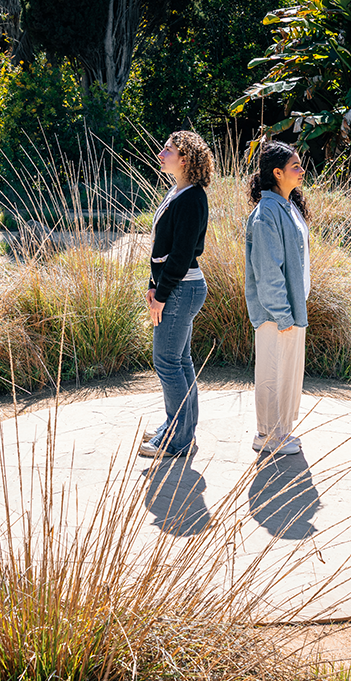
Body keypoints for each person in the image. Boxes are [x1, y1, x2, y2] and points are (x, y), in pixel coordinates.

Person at [141, 131, 214, 458]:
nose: (161, 154)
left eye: (167, 150)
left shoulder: (192, 198)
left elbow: (182, 253)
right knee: (179, 361)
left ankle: (176, 439)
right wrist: (152, 285)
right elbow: (162, 248)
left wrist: (162, 293)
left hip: (182, 288)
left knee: (167, 362)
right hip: (178, 287)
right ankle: (180, 429)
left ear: (184, 158)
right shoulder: (180, 191)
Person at [244, 141, 310, 456]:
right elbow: (267, 270)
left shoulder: (286, 205)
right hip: (276, 312)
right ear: (277, 173)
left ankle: (281, 431)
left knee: (286, 373)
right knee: (272, 372)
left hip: (291, 308)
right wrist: (283, 314)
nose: (301, 170)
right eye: (295, 166)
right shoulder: (267, 212)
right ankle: (267, 435)